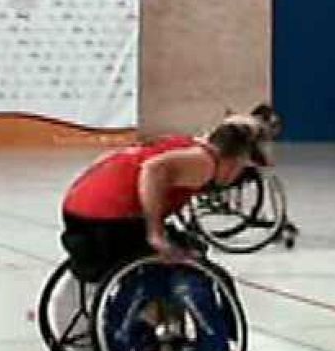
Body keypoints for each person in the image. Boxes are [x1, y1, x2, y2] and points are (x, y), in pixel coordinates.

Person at [59, 115, 271, 280]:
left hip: (78, 208)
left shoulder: (183, 144)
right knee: (177, 261)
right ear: (236, 159)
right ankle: (152, 320)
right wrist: (155, 233)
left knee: (178, 245)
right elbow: (153, 169)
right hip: (107, 218)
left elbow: (109, 158)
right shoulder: (205, 162)